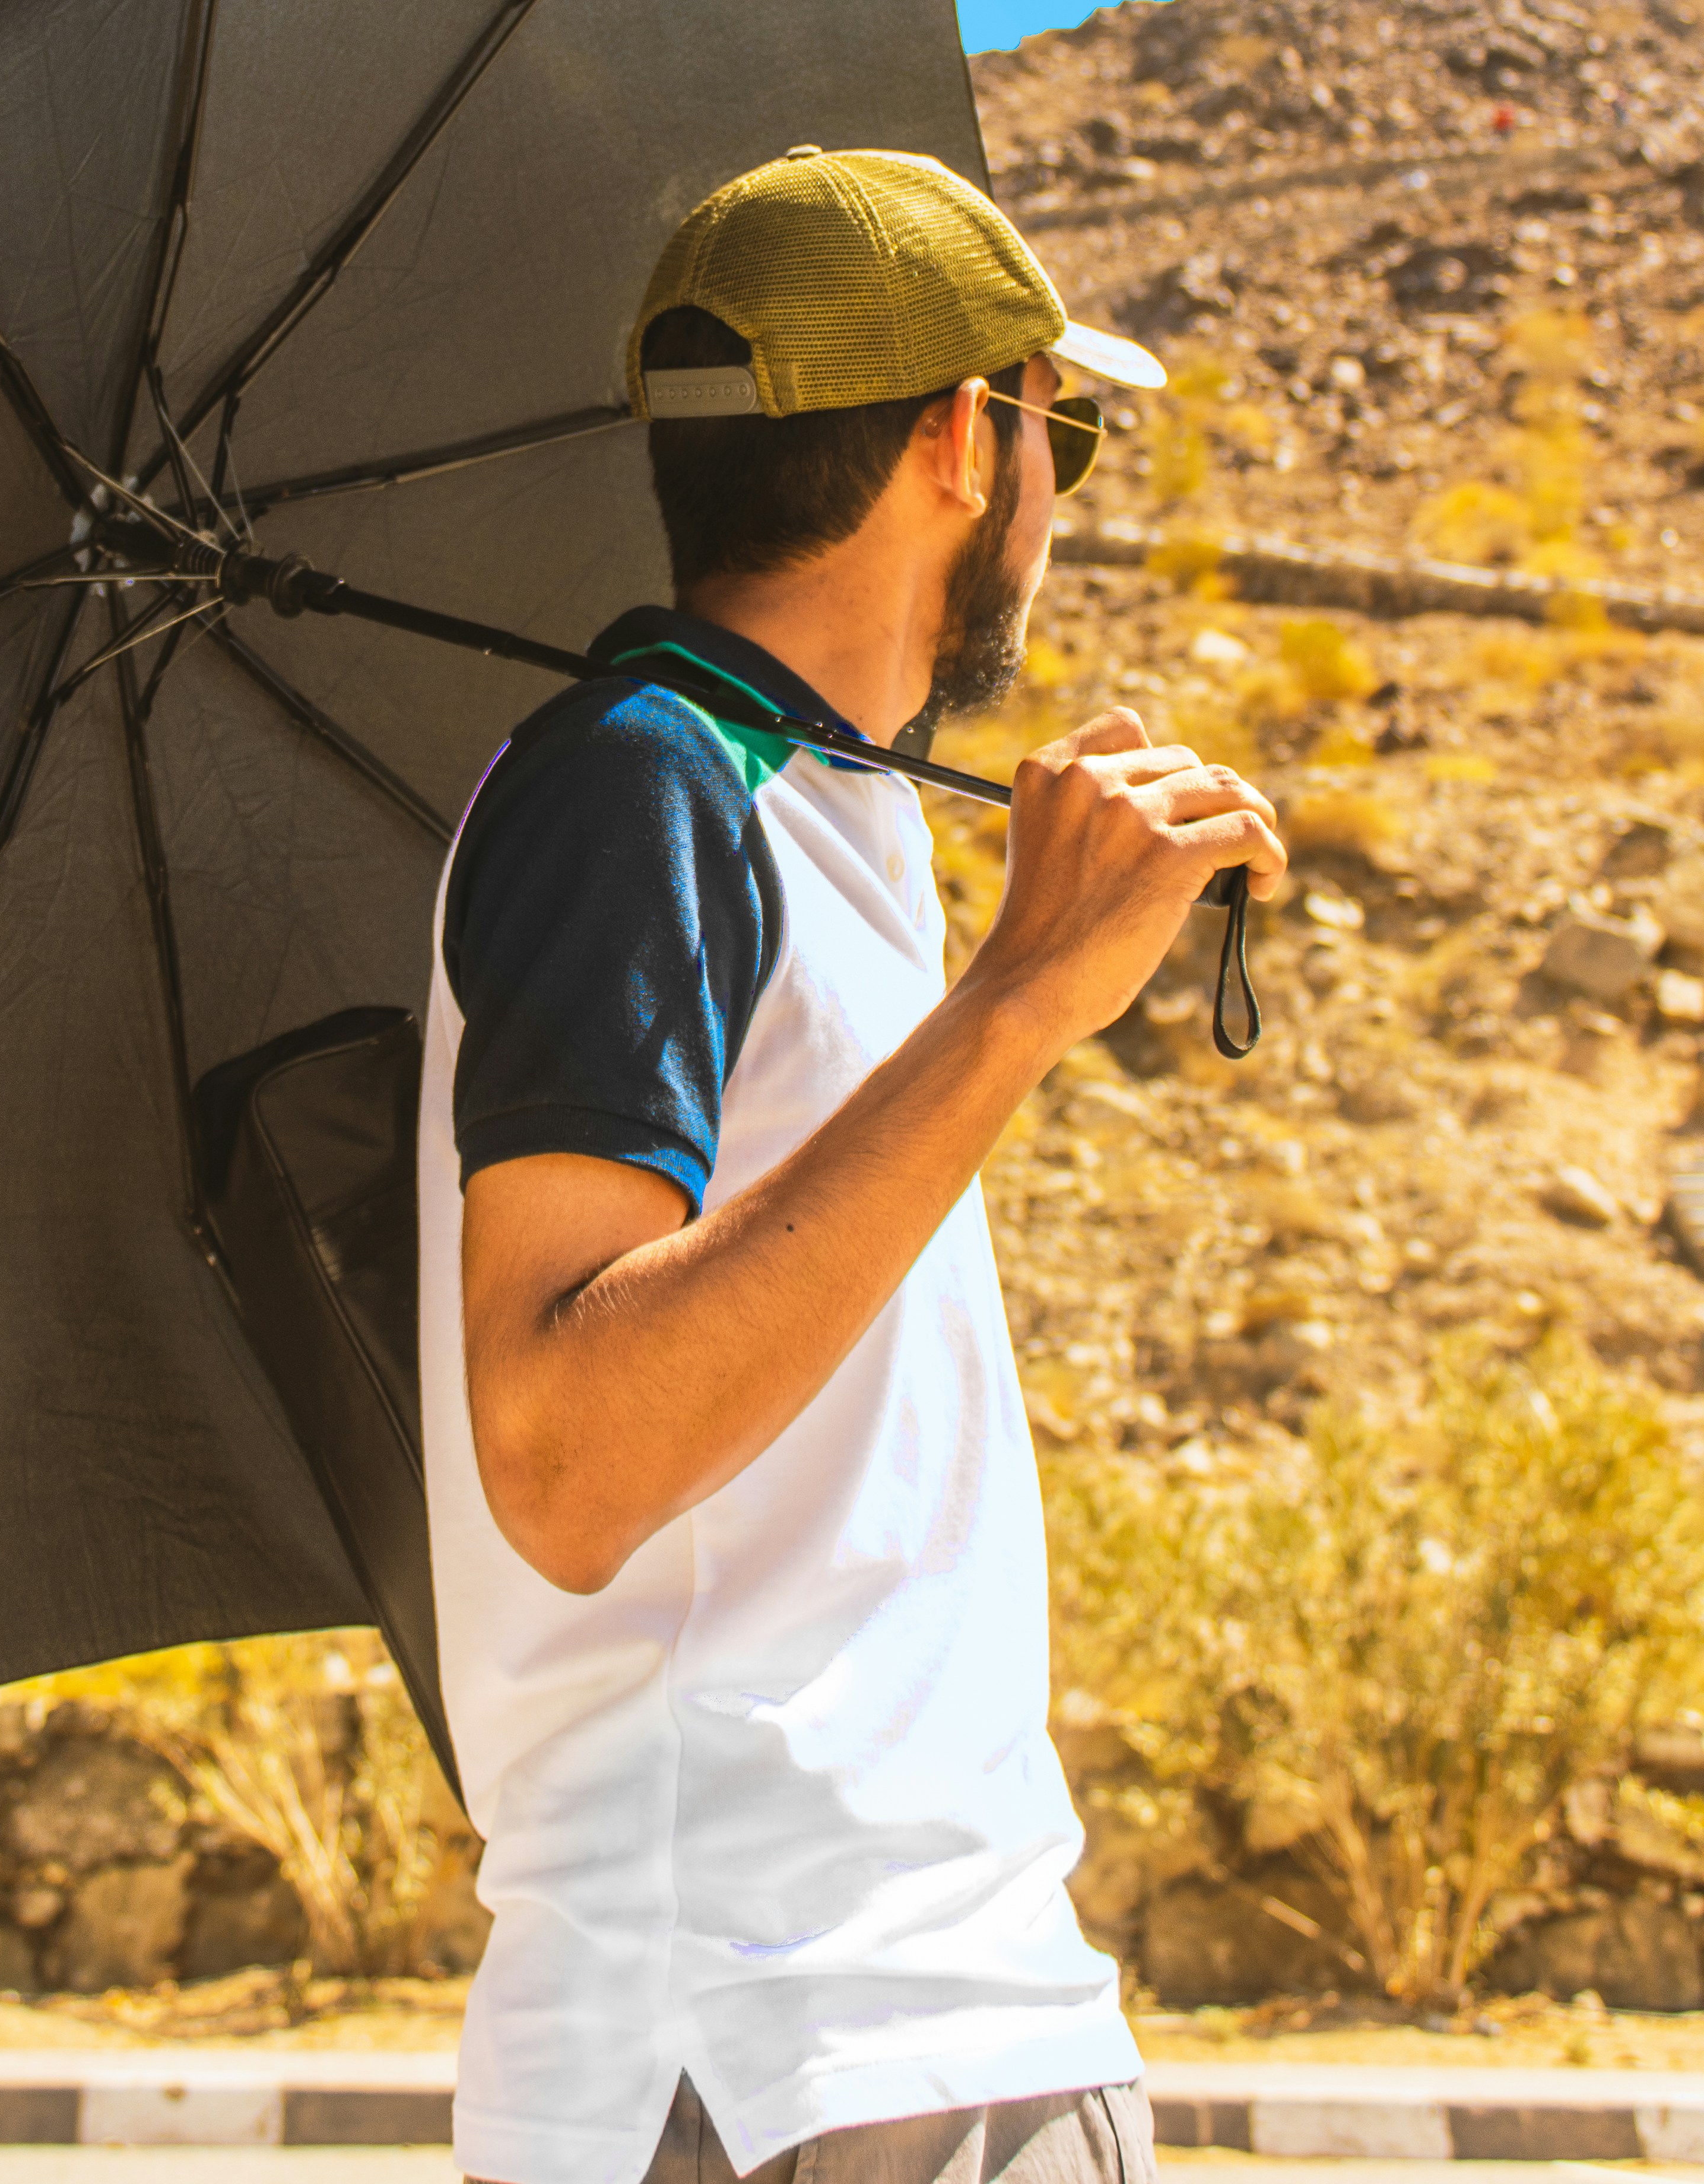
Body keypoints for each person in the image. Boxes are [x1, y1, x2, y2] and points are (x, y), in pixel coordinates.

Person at [415, 147, 1287, 2184]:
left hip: (898, 2031)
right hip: (775, 2053)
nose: (1063, 488)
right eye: (1065, 427)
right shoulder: (643, 784)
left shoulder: (816, 812)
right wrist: (1013, 1010)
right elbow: (560, 1454)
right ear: (967, 440)